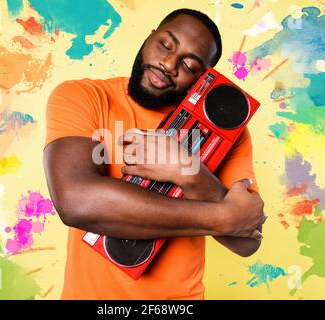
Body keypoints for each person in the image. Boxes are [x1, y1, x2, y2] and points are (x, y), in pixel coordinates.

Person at [43, 8, 265, 300]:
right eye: (166, 44)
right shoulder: (85, 97)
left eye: (190, 64)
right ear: (149, 37)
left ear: (204, 80)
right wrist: (225, 217)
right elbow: (75, 201)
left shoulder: (224, 131)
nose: (169, 64)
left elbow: (247, 243)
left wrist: (187, 171)